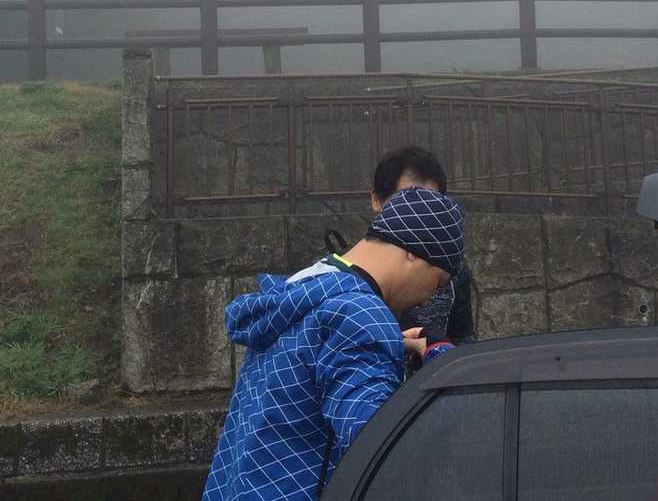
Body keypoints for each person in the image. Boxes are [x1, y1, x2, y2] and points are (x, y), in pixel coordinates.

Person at [202, 187, 465, 501]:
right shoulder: (360, 315)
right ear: (413, 251)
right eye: (438, 281)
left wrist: (387, 344)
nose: (430, 298)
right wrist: (443, 362)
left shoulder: (304, 287)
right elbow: (381, 449)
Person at [368, 146, 475, 361]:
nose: (421, 214)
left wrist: (440, 350)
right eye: (409, 202)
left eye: (432, 203)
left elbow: (463, 339)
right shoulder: (350, 281)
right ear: (377, 201)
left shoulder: (452, 271)